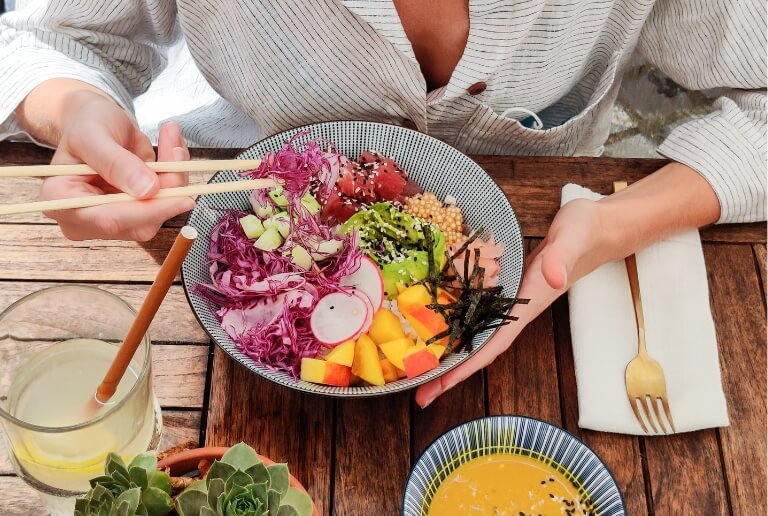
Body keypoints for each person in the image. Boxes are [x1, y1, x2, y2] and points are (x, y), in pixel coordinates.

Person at [0, 0, 765, 406]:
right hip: (201, 223)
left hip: (541, 310)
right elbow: (51, 39)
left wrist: (614, 224)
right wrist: (74, 110)